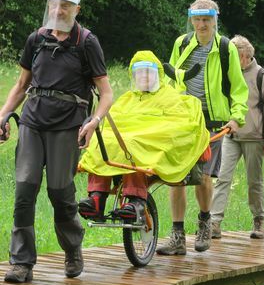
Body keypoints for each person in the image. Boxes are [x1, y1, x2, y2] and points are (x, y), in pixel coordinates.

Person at [0, 0, 113, 283]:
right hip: (32, 122)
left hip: (68, 125)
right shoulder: (36, 39)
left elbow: (106, 92)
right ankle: (21, 263)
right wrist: (2, 115)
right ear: (49, 5)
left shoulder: (87, 42)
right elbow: (21, 86)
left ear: (77, 9)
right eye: (55, 4)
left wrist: (94, 121)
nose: (59, 10)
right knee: (24, 189)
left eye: (66, 5)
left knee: (59, 192)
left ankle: (73, 248)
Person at [156, 0, 248, 256]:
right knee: (176, 177)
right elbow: (170, 77)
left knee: (203, 177)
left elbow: (239, 88)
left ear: (215, 20)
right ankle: (176, 236)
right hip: (184, 120)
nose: (201, 24)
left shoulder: (226, 47)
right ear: (191, 20)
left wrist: (236, 117)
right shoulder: (182, 43)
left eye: (206, 19)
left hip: (213, 122)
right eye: (197, 19)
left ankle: (205, 222)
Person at [78, 51, 210, 223]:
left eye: (148, 72)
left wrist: (148, 134)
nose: (144, 76)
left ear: (158, 75)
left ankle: (136, 201)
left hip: (147, 144)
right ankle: (96, 198)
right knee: (101, 141)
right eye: (139, 72)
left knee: (134, 145)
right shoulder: (127, 99)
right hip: (129, 142)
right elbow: (113, 124)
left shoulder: (170, 97)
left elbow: (180, 125)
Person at [210, 35, 264, 239]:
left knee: (254, 182)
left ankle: (259, 220)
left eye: (235, 56)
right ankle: (214, 222)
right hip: (231, 136)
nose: (230, 59)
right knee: (222, 178)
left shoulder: (262, 76)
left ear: (246, 56)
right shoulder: (229, 74)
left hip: (255, 137)